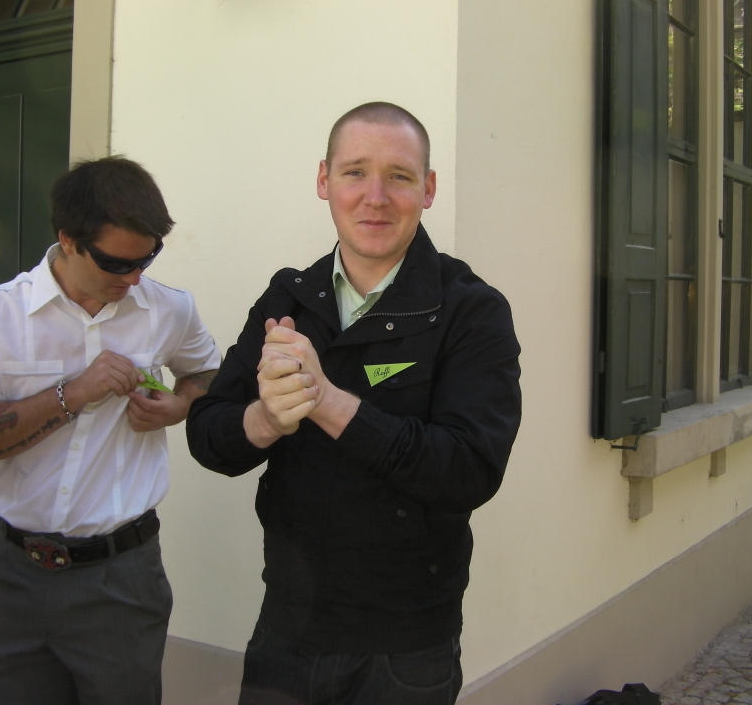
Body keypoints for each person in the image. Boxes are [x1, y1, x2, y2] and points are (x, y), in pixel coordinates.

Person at [186, 101, 522, 705]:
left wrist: (327, 402)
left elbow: (470, 470)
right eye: (355, 172)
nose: (375, 197)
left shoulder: (471, 309)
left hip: (405, 647)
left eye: (399, 176)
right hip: (287, 630)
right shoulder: (289, 297)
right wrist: (266, 418)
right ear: (324, 181)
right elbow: (208, 436)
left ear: (428, 189)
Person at [0, 156, 221, 705]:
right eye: (117, 263)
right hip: (15, 575)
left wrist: (181, 405)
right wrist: (73, 393)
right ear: (68, 239)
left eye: (147, 259)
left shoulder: (169, 309)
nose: (134, 278)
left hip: (122, 578)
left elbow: (208, 373)